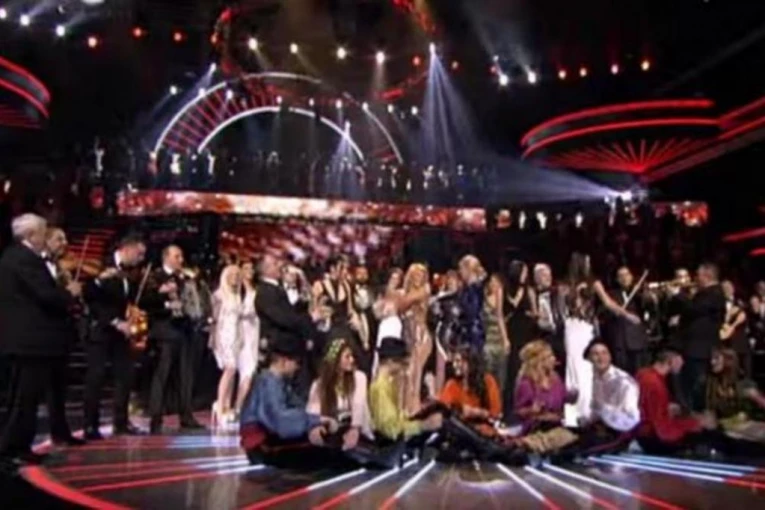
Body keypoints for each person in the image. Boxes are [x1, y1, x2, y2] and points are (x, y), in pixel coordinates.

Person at [0, 215, 82, 464]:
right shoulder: (23, 258)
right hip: (29, 342)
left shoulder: (16, 256)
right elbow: (46, 296)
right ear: (30, 235)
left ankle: (18, 446)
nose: (45, 238)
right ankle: (13, 448)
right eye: (43, 232)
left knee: (27, 399)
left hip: (32, 341)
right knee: (24, 400)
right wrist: (69, 293)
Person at [82, 234, 146, 439]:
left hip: (121, 333)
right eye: (139, 253)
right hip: (100, 330)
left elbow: (126, 299)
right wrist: (115, 321)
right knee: (96, 377)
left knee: (124, 377)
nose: (141, 258)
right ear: (127, 249)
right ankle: (90, 425)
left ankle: (121, 422)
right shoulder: (101, 265)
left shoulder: (131, 273)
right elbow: (90, 297)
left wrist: (129, 316)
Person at [240, 333, 337, 465]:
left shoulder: (279, 383)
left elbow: (300, 406)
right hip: (262, 447)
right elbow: (281, 420)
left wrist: (318, 420)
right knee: (327, 452)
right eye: (297, 362)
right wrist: (315, 420)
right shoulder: (269, 383)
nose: (298, 367)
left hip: (269, 441)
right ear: (284, 361)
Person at [144, 245, 203, 434]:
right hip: (165, 332)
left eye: (181, 256)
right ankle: (156, 419)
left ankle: (186, 415)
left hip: (184, 331)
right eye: (177, 256)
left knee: (185, 375)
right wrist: (166, 302)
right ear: (166, 257)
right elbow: (146, 301)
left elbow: (191, 300)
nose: (181, 260)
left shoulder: (184, 278)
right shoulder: (154, 276)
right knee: (162, 375)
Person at [42, 227, 85, 446]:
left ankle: (61, 432)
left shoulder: (59, 267)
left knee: (59, 387)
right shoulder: (38, 265)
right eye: (59, 239)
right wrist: (68, 292)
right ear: (46, 240)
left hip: (61, 333)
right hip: (42, 334)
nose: (65, 243)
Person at [635, 348, 716, 454]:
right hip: (651, 438)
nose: (682, 363)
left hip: (642, 432)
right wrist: (696, 424)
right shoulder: (655, 385)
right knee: (706, 436)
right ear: (671, 360)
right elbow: (663, 430)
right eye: (680, 359)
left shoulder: (643, 374)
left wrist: (668, 408)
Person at [369, 337, 442, 442]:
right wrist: (424, 425)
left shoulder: (387, 384)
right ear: (390, 361)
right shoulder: (381, 388)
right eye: (401, 362)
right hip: (391, 445)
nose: (403, 367)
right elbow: (392, 429)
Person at [306, 338, 373, 449]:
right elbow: (313, 410)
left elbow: (359, 405)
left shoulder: (359, 377)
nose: (352, 360)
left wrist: (355, 428)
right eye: (347, 357)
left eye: (352, 356)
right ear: (335, 360)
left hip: (358, 431)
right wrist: (315, 427)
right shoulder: (319, 385)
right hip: (334, 431)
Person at [577, 339, 640, 455]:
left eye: (604, 353)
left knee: (578, 447)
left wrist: (603, 410)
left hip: (620, 432)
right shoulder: (592, 378)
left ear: (610, 356)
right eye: (596, 354)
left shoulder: (623, 381)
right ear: (589, 359)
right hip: (599, 428)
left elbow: (630, 418)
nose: (601, 358)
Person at [679, 263, 726, 402]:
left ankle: (700, 411)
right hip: (695, 348)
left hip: (701, 349)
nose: (695, 279)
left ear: (707, 276)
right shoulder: (706, 293)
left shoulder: (714, 293)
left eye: (698, 275)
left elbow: (694, 309)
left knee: (698, 385)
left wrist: (679, 295)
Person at [514, 340, 576, 433]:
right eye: (549, 356)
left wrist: (573, 396)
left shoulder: (555, 379)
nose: (554, 359)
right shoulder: (526, 383)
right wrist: (531, 410)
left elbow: (564, 396)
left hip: (556, 425)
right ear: (539, 361)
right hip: (535, 429)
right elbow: (519, 412)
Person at [440, 347, 502, 437]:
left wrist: (476, 412)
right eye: (454, 362)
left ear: (471, 363)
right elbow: (443, 411)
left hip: (483, 433)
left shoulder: (488, 381)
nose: (455, 365)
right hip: (460, 433)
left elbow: (496, 414)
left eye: (459, 361)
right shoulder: (452, 385)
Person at [210, 265, 244, 427]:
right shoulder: (219, 295)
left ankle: (226, 406)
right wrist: (215, 340)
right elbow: (214, 320)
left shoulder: (237, 296)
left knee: (233, 370)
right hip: (223, 335)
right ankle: (220, 406)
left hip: (235, 335)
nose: (235, 277)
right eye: (232, 274)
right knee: (229, 369)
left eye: (238, 275)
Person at [400, 263, 435, 412]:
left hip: (422, 335)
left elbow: (404, 302)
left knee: (414, 371)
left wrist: (397, 298)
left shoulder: (425, 289)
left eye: (421, 275)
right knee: (408, 371)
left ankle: (413, 407)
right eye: (415, 275)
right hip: (409, 335)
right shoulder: (406, 292)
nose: (418, 278)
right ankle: (406, 406)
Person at [603, 266, 650, 374]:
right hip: (620, 342)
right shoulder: (611, 295)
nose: (624, 278)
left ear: (631, 277)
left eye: (627, 275)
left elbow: (648, 308)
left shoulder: (639, 294)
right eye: (621, 276)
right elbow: (607, 313)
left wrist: (645, 294)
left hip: (637, 341)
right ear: (617, 279)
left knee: (640, 374)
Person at [505, 261, 537, 411]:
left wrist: (532, 314)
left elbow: (535, 312)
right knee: (513, 366)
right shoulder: (506, 290)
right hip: (512, 330)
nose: (526, 275)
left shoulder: (529, 291)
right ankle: (511, 404)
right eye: (523, 272)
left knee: (525, 364)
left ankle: (527, 400)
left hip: (526, 330)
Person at [235, 259, 260, 415]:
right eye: (246, 268)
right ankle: (238, 407)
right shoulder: (239, 290)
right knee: (247, 371)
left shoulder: (256, 288)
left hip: (255, 331)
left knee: (252, 370)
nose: (250, 271)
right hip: (244, 331)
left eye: (251, 268)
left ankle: (244, 407)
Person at [482, 273, 511, 401]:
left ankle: (499, 405)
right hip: (488, 339)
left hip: (499, 339)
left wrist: (505, 339)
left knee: (501, 376)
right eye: (492, 281)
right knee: (488, 374)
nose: (493, 284)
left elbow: (500, 317)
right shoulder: (484, 296)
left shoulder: (500, 293)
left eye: (496, 282)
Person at [533, 263, 566, 376]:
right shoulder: (533, 295)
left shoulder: (557, 293)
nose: (549, 278)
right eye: (544, 275)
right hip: (543, 335)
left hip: (560, 334)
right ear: (536, 278)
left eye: (550, 275)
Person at [720, 280, 750, 379]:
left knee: (745, 367)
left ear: (733, 288)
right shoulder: (718, 303)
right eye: (724, 288)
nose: (727, 290)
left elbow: (747, 319)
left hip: (739, 340)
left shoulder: (741, 302)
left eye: (729, 287)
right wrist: (727, 316)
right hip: (724, 340)